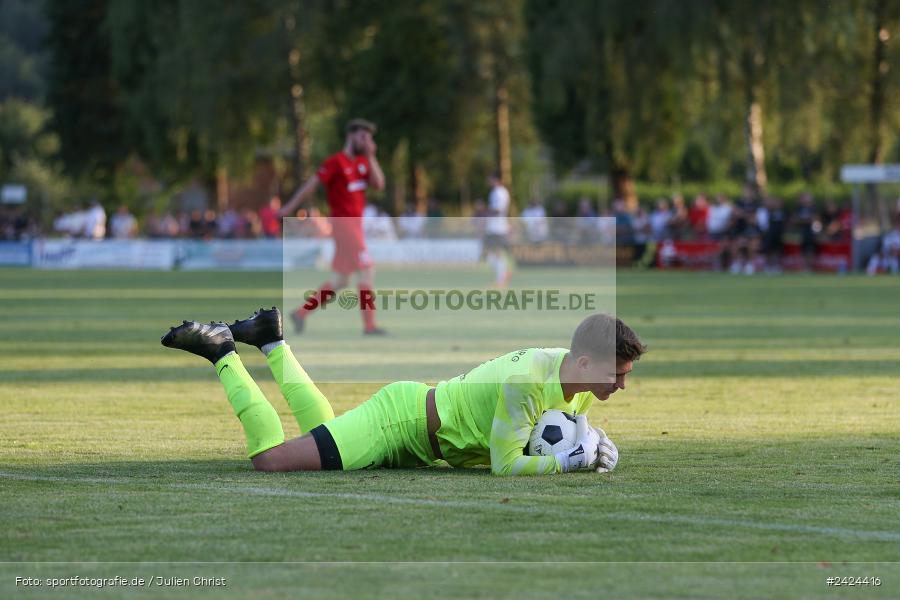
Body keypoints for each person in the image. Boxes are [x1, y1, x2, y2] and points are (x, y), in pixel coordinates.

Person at [161, 310, 643, 475]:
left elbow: (550, 431)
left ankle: (271, 338)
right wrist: (569, 460)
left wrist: (593, 439)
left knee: (321, 434)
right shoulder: (527, 383)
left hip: (414, 434)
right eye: (615, 374)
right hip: (399, 425)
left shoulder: (578, 384)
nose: (621, 384)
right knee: (270, 460)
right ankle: (223, 350)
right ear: (584, 362)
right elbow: (507, 465)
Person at [279, 119, 386, 335]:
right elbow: (311, 186)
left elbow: (379, 184)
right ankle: (370, 326)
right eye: (363, 137)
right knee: (367, 270)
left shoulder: (363, 163)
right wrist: (288, 208)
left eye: (369, 138)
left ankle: (300, 313)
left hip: (353, 227)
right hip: (344, 225)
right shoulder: (335, 162)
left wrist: (372, 155)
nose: (367, 142)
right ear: (351, 136)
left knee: (340, 281)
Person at [483, 172, 513, 287]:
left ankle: (502, 277)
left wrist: (485, 213)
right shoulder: (497, 192)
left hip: (497, 228)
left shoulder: (499, 192)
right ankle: (503, 276)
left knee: (492, 253)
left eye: (490, 179)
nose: (489, 181)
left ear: (496, 179)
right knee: (493, 254)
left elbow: (498, 210)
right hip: (495, 227)